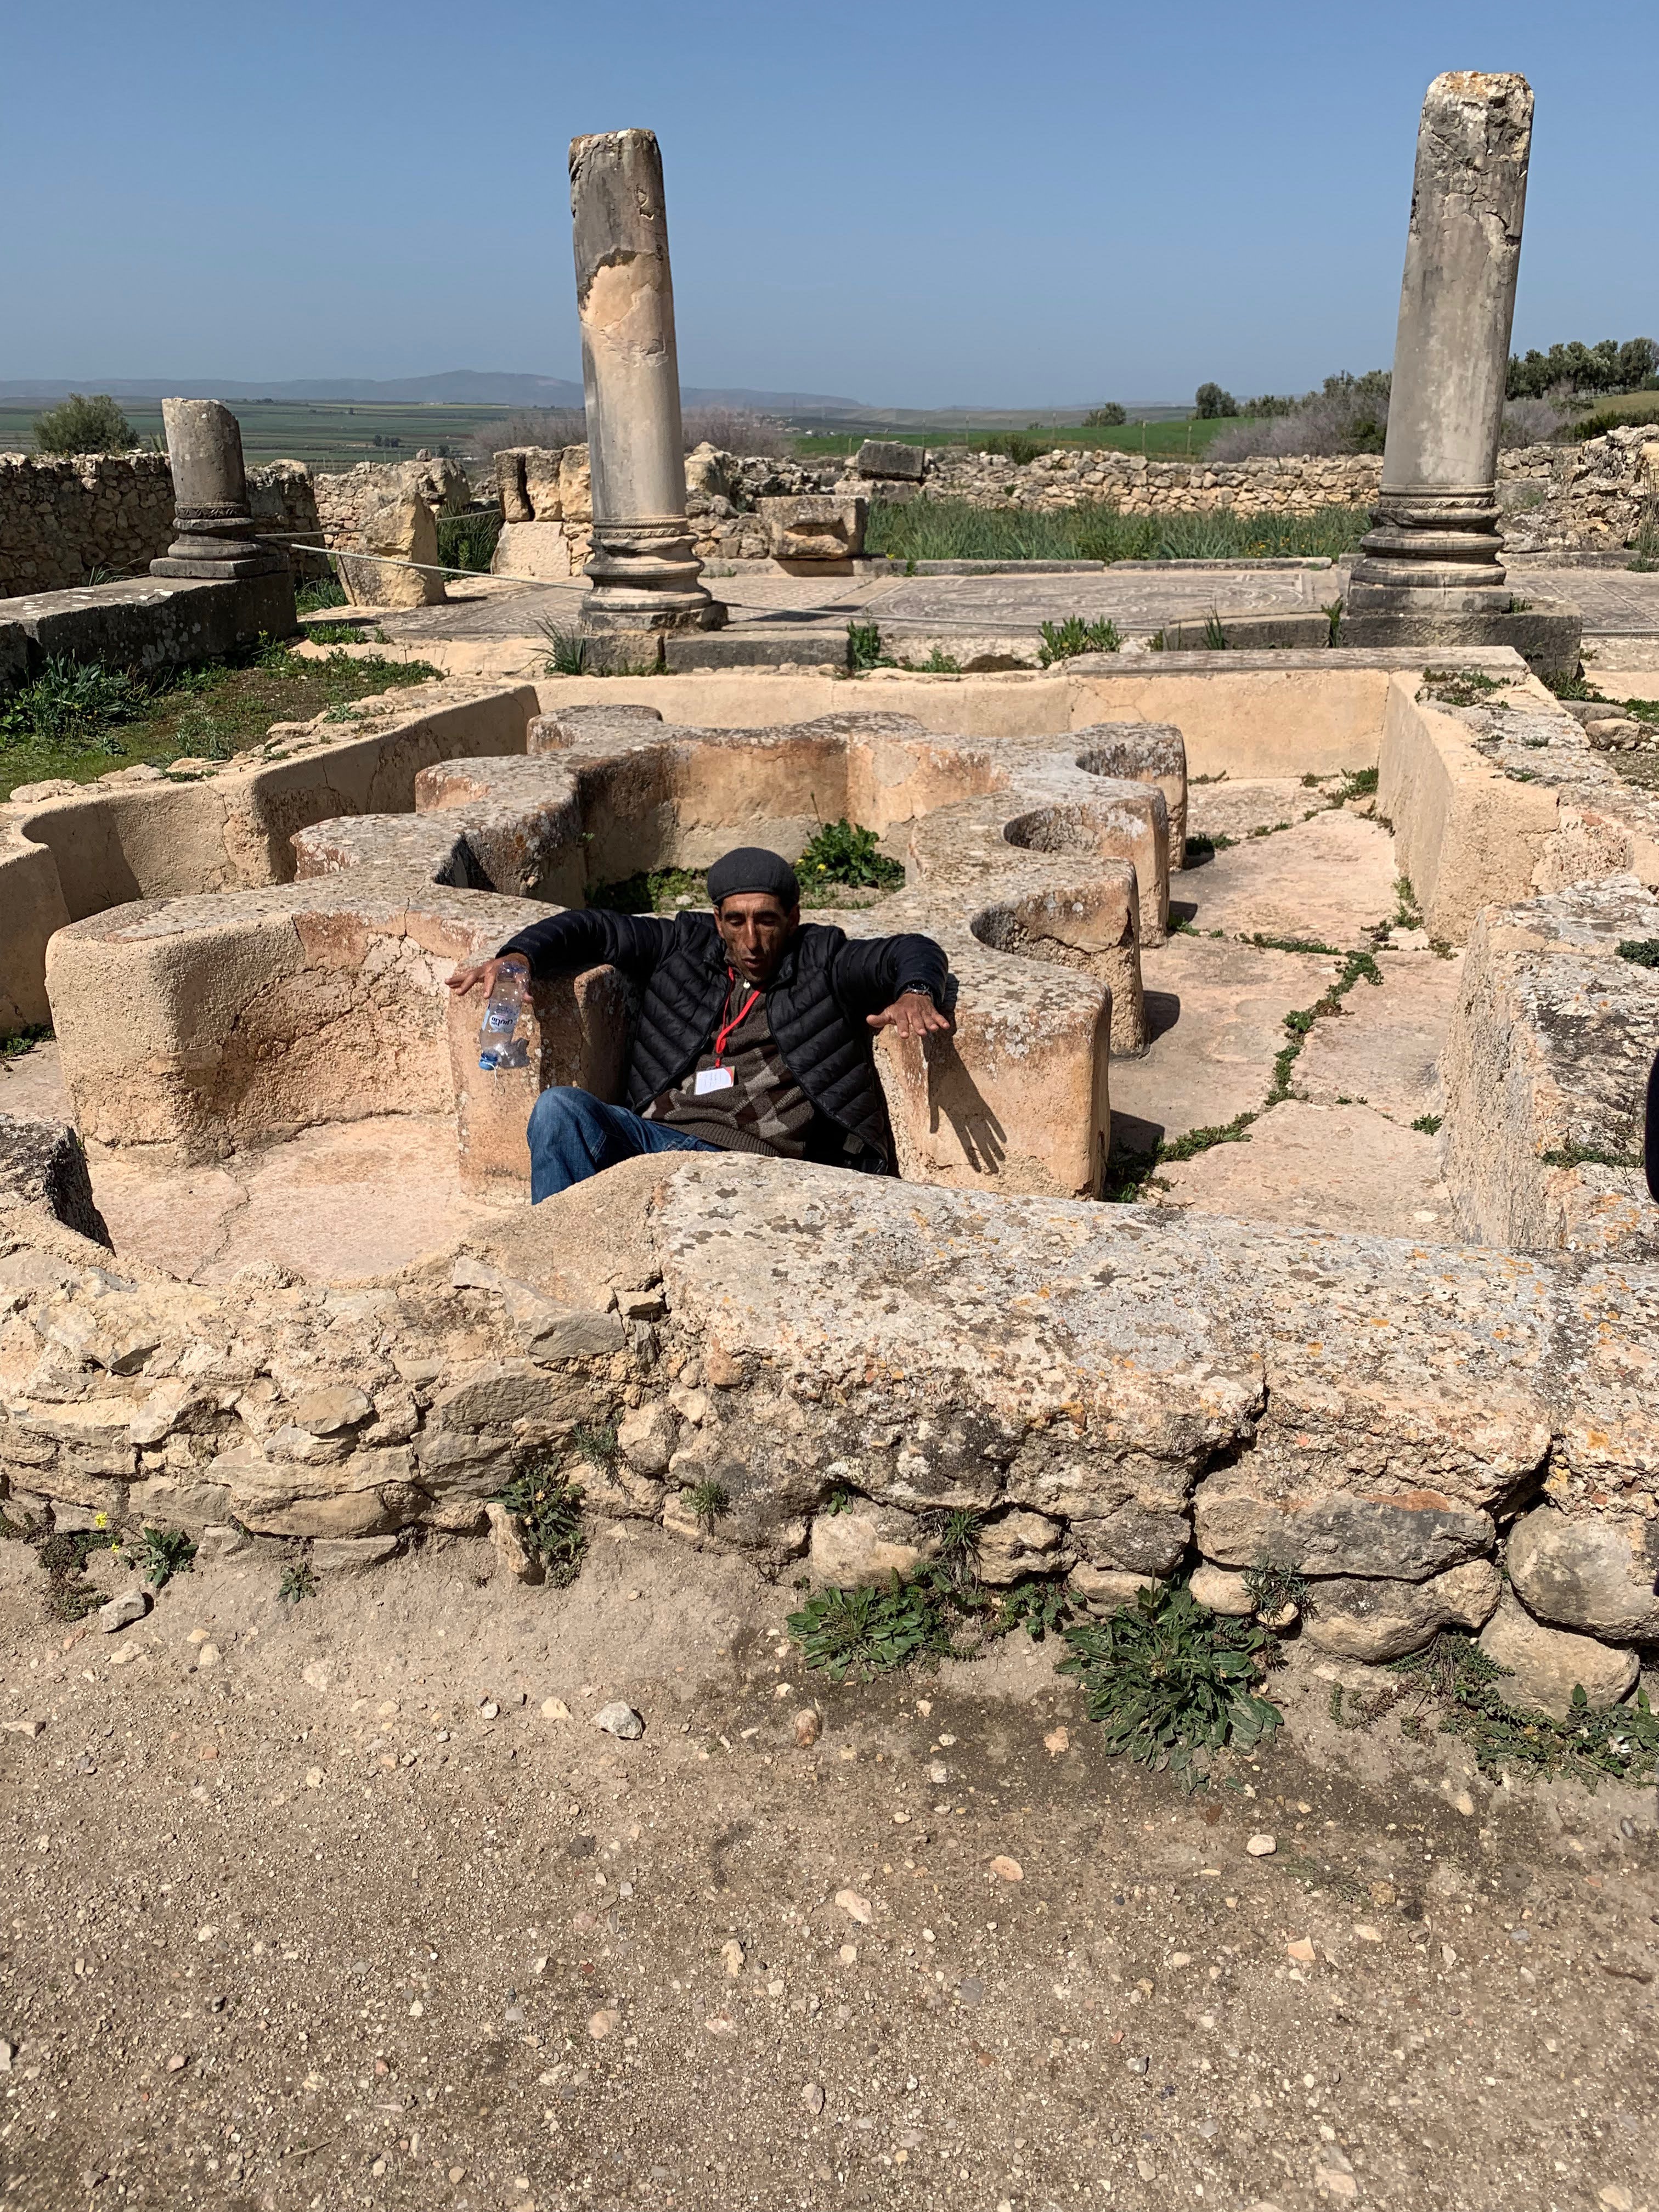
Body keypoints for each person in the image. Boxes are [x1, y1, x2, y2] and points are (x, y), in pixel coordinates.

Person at [446, 845, 952, 1201]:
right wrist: (519, 958)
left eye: (767, 921)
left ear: (793, 918)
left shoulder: (825, 960)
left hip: (751, 1167)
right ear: (717, 921)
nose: (752, 941)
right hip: (656, 1142)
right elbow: (594, 926)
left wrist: (916, 991)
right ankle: (558, 1260)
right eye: (736, 921)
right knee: (560, 1109)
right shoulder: (683, 947)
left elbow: (913, 949)